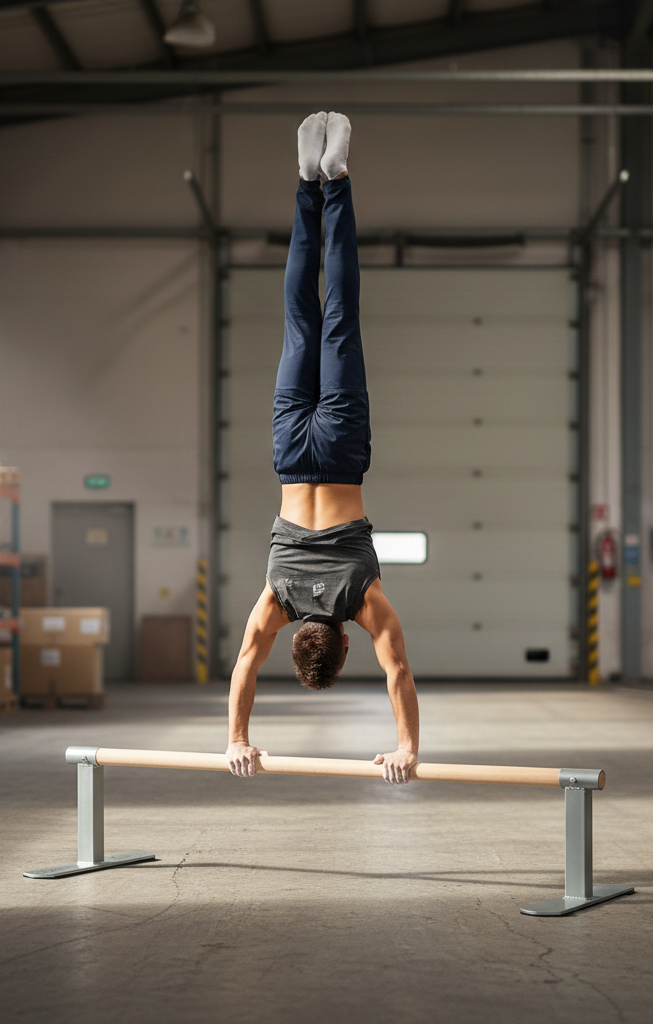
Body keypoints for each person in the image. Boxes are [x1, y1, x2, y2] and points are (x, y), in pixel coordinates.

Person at [225, 112, 419, 786]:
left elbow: (397, 668)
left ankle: (333, 181)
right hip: (289, 453)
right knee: (300, 323)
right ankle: (305, 184)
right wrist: (237, 740)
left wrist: (407, 748)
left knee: (338, 317)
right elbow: (247, 659)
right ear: (298, 640)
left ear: (340, 643)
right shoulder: (274, 600)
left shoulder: (361, 599)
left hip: (338, 453)